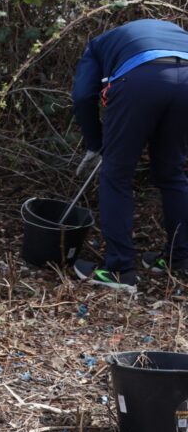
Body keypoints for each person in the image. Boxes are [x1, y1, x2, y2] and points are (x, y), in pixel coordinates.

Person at [71, 18, 188, 293]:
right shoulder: (173, 32)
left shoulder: (96, 46)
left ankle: (119, 269)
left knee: (116, 175)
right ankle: (180, 258)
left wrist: (95, 144)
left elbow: (82, 96)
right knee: (172, 174)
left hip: (140, 81)